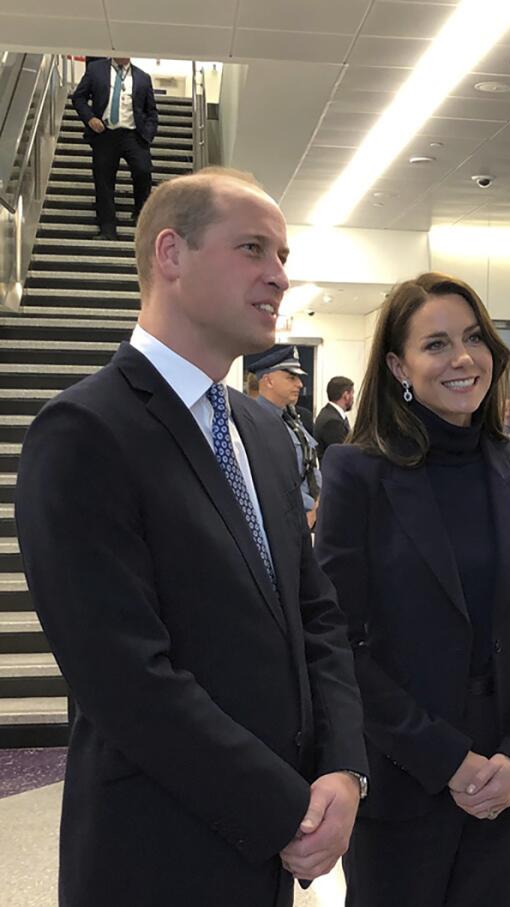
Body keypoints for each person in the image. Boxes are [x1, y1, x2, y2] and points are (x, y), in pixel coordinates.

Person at [14, 167, 368, 906]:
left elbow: (316, 615)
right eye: (253, 249)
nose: (278, 277)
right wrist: (287, 808)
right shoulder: (84, 431)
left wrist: (341, 766)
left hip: (270, 853)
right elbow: (126, 677)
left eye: (283, 257)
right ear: (170, 254)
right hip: (155, 850)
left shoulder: (264, 432)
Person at [315, 272, 510, 907]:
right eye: (436, 344)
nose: (462, 358)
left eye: (474, 338)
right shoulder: (358, 471)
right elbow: (339, 642)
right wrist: (446, 757)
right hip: (405, 769)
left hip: (502, 774)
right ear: (399, 364)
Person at [70, 56, 158, 241]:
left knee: (143, 171)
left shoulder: (143, 77)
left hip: (133, 134)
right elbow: (79, 97)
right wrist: (90, 118)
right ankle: (108, 228)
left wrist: (148, 134)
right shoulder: (96, 70)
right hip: (105, 133)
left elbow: (151, 111)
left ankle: (140, 215)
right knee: (103, 179)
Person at [253, 348, 321, 529]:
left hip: (310, 516)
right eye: (291, 378)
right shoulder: (256, 422)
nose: (299, 384)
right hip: (289, 520)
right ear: (268, 380)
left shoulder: (292, 418)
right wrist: (311, 509)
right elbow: (272, 482)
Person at [315, 375, 355, 461]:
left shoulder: (330, 414)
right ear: (346, 395)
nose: (353, 398)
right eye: (352, 393)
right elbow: (344, 455)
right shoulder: (332, 422)